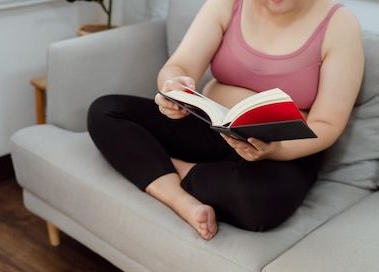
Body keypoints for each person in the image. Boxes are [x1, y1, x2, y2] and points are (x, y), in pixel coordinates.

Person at [88, 0, 364, 240]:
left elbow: (327, 125)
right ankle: (179, 198)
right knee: (106, 111)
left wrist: (275, 149)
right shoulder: (228, 3)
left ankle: (166, 165)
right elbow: (181, 65)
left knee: (258, 205)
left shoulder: (340, 25)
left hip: (284, 151)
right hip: (213, 128)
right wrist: (173, 87)